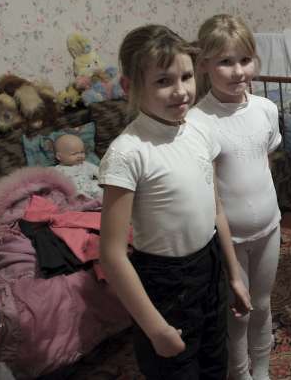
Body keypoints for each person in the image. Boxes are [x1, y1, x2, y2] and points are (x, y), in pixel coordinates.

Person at [98, 24, 252, 379]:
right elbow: (112, 253)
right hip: (165, 283)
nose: (181, 91)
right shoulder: (128, 152)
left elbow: (216, 210)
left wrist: (234, 277)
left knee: (216, 361)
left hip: (209, 265)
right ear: (129, 87)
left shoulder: (197, 129)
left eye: (186, 76)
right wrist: (155, 327)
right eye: (163, 81)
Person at [189, 14, 282, 380]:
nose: (238, 71)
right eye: (225, 62)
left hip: (269, 228)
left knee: (262, 304)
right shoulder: (198, 120)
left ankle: (262, 369)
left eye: (244, 60)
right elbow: (209, 194)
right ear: (205, 65)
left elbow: (263, 164)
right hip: (229, 238)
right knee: (237, 310)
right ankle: (239, 372)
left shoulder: (267, 109)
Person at [52, 133, 103, 199]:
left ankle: (101, 200)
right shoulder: (56, 170)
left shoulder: (86, 165)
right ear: (59, 156)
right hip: (73, 192)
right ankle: (84, 201)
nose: (80, 156)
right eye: (74, 154)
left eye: (82, 152)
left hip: (90, 188)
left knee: (98, 187)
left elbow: (101, 172)